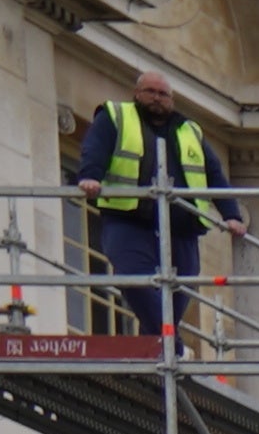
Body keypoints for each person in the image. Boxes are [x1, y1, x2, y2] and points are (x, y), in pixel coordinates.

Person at [73, 82, 232, 344]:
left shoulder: (189, 130)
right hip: (129, 218)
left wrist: (232, 214)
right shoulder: (117, 116)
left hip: (181, 226)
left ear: (172, 100)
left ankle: (154, 346)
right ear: (137, 94)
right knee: (135, 279)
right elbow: (96, 147)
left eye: (163, 94)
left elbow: (214, 174)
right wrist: (90, 176)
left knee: (178, 292)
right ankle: (170, 346)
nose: (157, 98)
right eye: (150, 92)